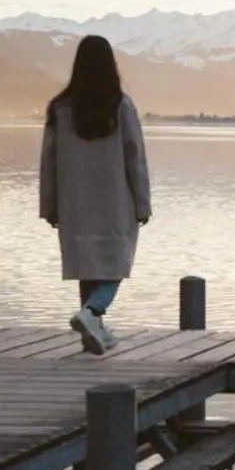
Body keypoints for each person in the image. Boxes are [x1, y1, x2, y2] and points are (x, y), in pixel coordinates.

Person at [39, 35, 151, 354]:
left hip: (74, 204)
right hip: (115, 203)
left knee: (88, 267)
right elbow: (136, 159)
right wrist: (142, 204)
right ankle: (92, 313)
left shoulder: (60, 109)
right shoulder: (121, 105)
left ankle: (93, 333)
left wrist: (50, 206)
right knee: (116, 265)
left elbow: (48, 162)